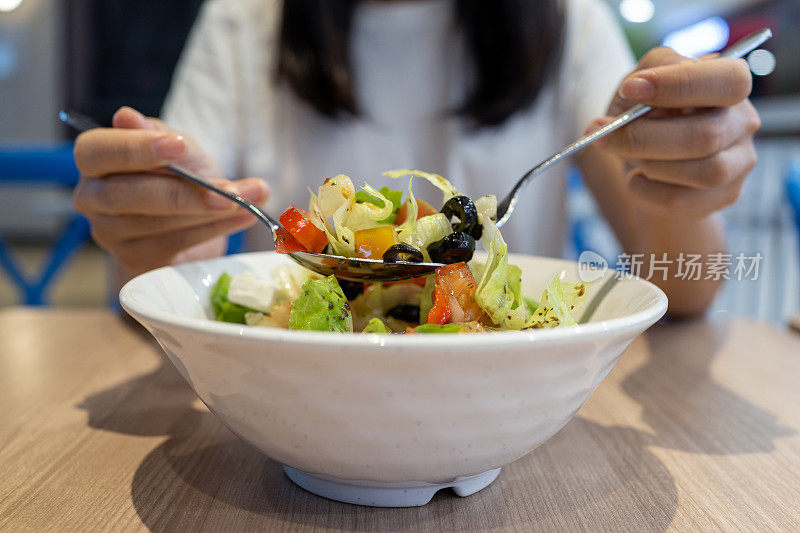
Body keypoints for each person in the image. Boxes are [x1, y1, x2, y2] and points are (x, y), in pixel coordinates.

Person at [72, 0, 761, 317]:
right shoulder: (245, 20)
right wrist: (150, 235)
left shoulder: (566, 21)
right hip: (281, 410)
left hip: (510, 416)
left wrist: (684, 179)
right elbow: (161, 277)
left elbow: (687, 287)